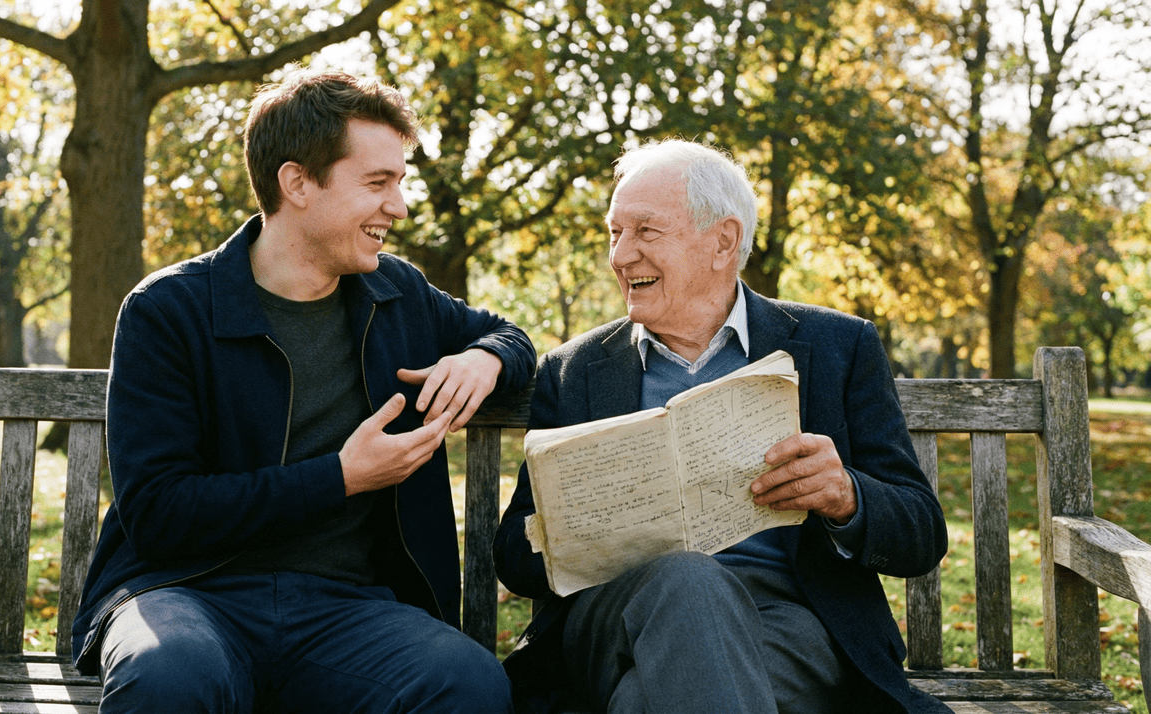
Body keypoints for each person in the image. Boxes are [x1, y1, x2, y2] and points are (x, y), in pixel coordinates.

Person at [70, 66, 534, 713]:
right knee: (168, 677)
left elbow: (511, 335)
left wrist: (486, 357)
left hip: (348, 610)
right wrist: (340, 477)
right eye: (377, 183)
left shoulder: (396, 293)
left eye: (399, 182)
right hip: (185, 595)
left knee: (470, 683)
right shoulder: (168, 310)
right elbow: (159, 515)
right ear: (298, 184)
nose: (399, 206)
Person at [493, 139, 950, 713]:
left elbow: (921, 532)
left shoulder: (839, 345)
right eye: (615, 233)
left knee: (646, 700)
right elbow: (515, 556)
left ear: (723, 242)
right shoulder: (573, 370)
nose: (621, 255)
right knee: (688, 580)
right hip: (615, 621)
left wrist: (846, 497)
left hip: (786, 621)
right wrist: (571, 523)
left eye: (645, 231)